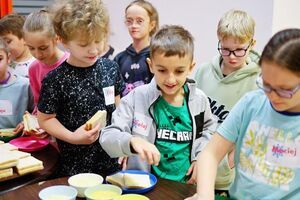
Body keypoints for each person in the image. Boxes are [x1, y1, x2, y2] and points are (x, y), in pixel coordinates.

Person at [185, 28, 300, 200]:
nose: (272, 95)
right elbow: (210, 154)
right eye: (266, 84)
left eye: (284, 90)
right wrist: (204, 195)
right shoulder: (251, 103)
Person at [100, 25, 217, 184]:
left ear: (190, 67)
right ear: (151, 65)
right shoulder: (137, 97)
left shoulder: (200, 100)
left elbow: (209, 130)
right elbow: (108, 136)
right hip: (146, 187)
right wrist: (131, 141)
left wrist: (200, 157)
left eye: (179, 71)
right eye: (162, 70)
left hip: (186, 186)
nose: (170, 79)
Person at [37, 0, 124, 177]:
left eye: (98, 41)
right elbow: (45, 119)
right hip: (75, 167)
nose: (94, 49)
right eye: (84, 44)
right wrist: (73, 137)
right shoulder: (55, 79)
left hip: (112, 162)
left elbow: (117, 106)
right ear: (63, 41)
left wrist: (123, 140)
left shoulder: (110, 68)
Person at [194, 9, 260, 191]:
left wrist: (226, 164)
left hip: (230, 181)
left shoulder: (258, 82)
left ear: (252, 44)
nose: (231, 56)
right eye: (225, 49)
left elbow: (252, 135)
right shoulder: (203, 71)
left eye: (239, 50)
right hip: (194, 169)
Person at [23, 9, 69, 114]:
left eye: (43, 48)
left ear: (57, 38)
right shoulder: (33, 69)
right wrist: (30, 121)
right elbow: (39, 105)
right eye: (31, 48)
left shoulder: (71, 63)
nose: (37, 54)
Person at [114, 0, 159, 96]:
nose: (133, 25)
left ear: (152, 25)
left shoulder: (157, 56)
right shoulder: (119, 58)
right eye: (129, 21)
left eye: (139, 21)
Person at [0, 38, 34, 132]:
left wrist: (27, 123)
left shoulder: (25, 85)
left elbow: (37, 114)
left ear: (9, 58)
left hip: (19, 141)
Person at [0, 13, 35, 77]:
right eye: (1, 43)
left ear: (25, 38)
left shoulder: (36, 64)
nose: (4, 47)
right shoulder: (3, 63)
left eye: (8, 41)